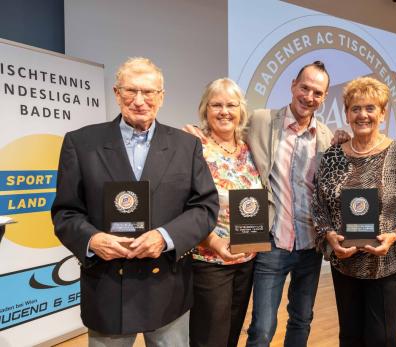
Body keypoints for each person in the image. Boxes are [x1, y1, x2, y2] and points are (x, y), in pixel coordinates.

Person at [51, 57, 219, 346]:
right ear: (117, 93)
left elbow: (204, 208)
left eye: (149, 92)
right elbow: (66, 212)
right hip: (108, 289)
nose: (139, 100)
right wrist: (92, 241)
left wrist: (165, 237)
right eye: (130, 91)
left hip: (167, 287)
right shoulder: (81, 143)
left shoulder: (186, 145)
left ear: (161, 97)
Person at [312, 76, 396, 347]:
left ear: (383, 113)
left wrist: (394, 236)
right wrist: (329, 237)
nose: (363, 114)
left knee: (382, 337)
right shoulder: (332, 156)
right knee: (349, 337)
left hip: (388, 263)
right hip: (345, 262)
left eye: (370, 108)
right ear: (347, 115)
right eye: (356, 108)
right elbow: (319, 207)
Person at [244, 61, 333, 347]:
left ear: (324, 97)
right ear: (293, 85)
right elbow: (225, 131)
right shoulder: (261, 120)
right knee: (262, 328)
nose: (309, 96)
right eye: (304, 88)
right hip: (272, 242)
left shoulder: (327, 137)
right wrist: (197, 133)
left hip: (310, 246)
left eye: (317, 93)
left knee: (302, 319)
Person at [181, 78, 262, 347]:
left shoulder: (249, 147)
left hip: (246, 257)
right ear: (206, 109)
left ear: (241, 110)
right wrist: (213, 242)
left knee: (230, 334)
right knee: (209, 338)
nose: (224, 111)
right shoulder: (193, 145)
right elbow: (182, 203)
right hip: (209, 259)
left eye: (231, 105)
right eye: (216, 104)